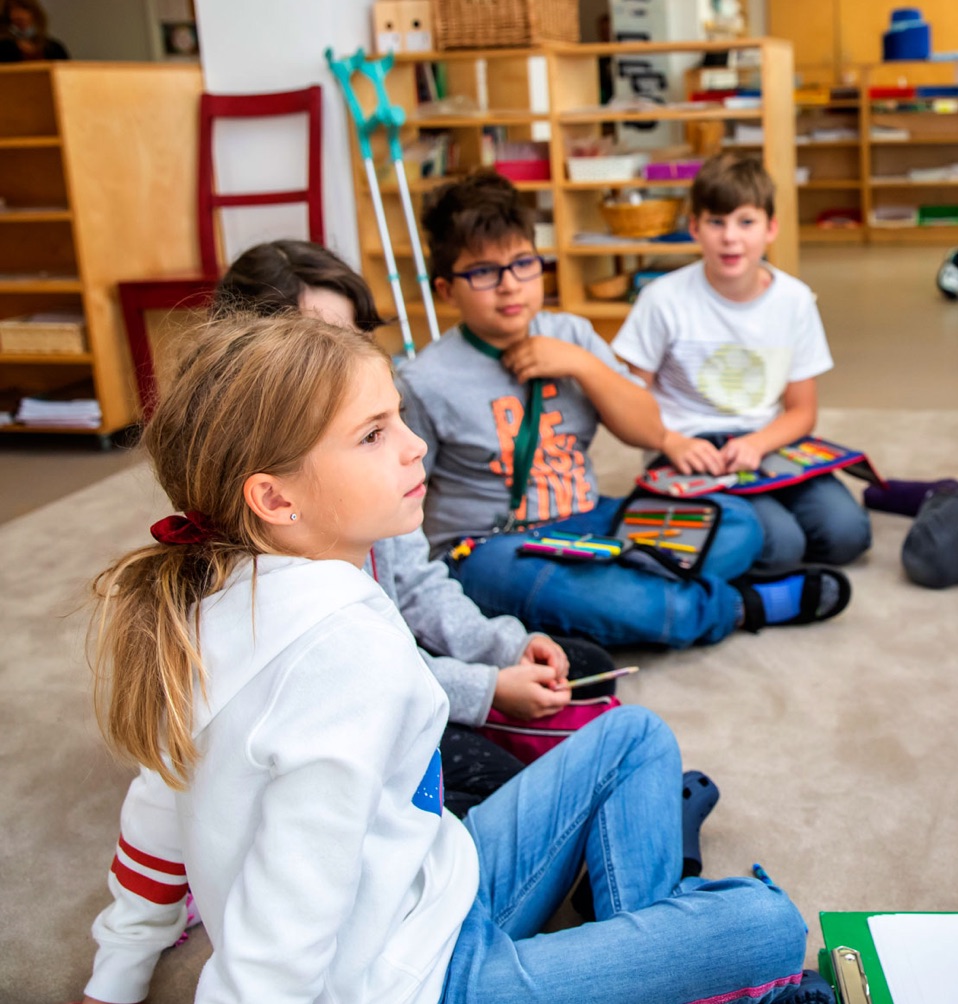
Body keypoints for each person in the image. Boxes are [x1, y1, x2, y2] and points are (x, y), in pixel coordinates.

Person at [74, 310, 831, 1004]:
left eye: (399, 419)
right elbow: (280, 938)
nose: (413, 446)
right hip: (425, 982)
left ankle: (660, 968)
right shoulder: (342, 651)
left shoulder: (210, 593)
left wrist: (114, 981)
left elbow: (155, 806)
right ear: (275, 499)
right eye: (373, 434)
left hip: (435, 885)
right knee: (766, 925)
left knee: (635, 737)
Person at [212, 239, 619, 818]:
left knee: (585, 670)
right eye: (310, 346)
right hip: (351, 700)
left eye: (349, 339)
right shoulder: (278, 546)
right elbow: (364, 673)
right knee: (497, 789)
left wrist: (503, 646)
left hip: (392, 652)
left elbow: (418, 585)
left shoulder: (370, 470)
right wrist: (486, 689)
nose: (338, 361)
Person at [396, 170, 851, 651]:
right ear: (447, 290)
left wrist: (584, 365)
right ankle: (732, 606)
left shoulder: (572, 334)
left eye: (523, 263)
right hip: (493, 546)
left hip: (589, 519)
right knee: (630, 599)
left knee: (738, 524)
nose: (510, 286)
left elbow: (649, 428)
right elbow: (396, 505)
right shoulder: (425, 381)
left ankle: (604, 593)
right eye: (484, 272)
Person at [612, 152, 872, 571]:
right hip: (686, 448)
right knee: (781, 546)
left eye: (745, 222)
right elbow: (626, 400)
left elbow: (802, 411)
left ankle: (742, 520)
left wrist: (756, 444)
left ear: (771, 229)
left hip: (764, 443)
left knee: (847, 534)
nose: (730, 238)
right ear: (695, 227)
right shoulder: (661, 299)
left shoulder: (795, 301)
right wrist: (670, 441)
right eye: (716, 222)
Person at [0, 0, 69, 61]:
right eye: (11, 10)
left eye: (24, 8)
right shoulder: (3, 47)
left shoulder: (54, 48)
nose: (18, 15)